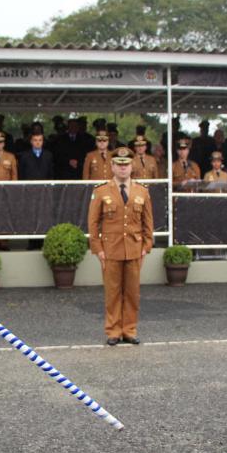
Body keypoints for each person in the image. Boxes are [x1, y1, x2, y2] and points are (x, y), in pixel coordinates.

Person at [88, 147, 153, 346]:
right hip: (110, 251)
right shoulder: (100, 191)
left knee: (132, 293)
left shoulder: (142, 191)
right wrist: (98, 249)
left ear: (132, 166)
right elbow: (93, 223)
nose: (123, 168)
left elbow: (147, 222)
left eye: (126, 165)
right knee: (113, 293)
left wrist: (146, 246)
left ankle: (130, 330)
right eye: (119, 165)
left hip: (134, 249)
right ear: (112, 166)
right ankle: (113, 331)